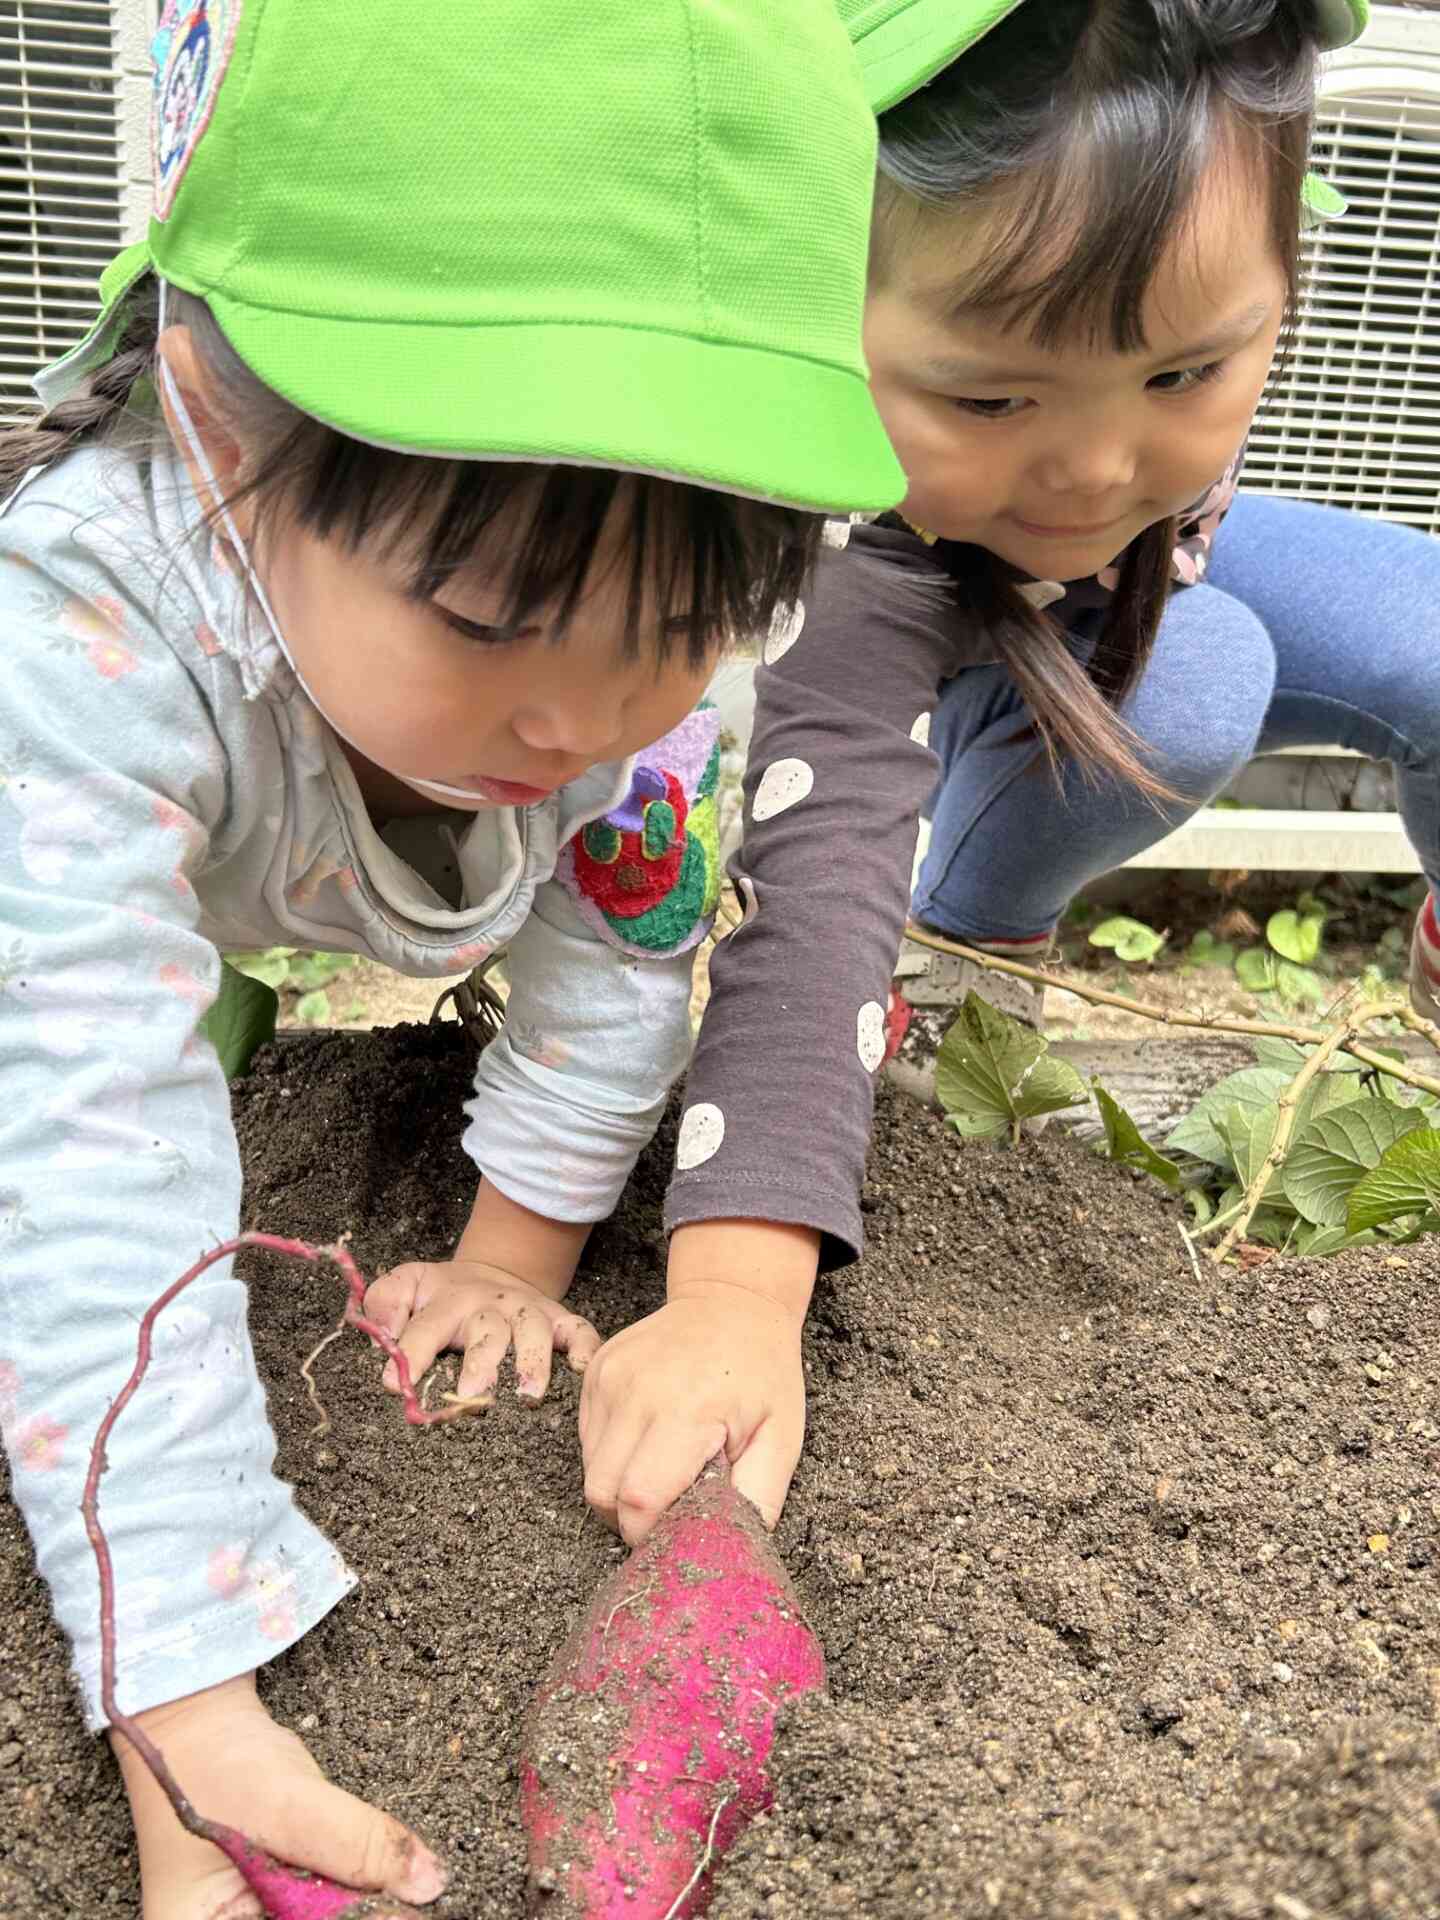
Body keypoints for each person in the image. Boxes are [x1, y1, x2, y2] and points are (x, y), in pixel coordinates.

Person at [0, 1, 902, 1913]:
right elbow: (82, 1139)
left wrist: (505, 1263)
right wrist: (182, 1672)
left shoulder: (651, 659)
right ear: (234, 433)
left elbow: (617, 958)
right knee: (150, 1082)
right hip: (164, 830)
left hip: (348, 831)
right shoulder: (79, 630)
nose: (581, 714)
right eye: (491, 617)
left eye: (673, 626)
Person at [597, 0, 1439, 1542]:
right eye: (990, 397)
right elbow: (818, 875)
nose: (1095, 469)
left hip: (1154, 588)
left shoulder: (1161, 305)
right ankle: (972, 943)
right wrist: (730, 1297)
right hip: (974, 632)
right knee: (1198, 686)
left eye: (1187, 373)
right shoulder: (850, 541)